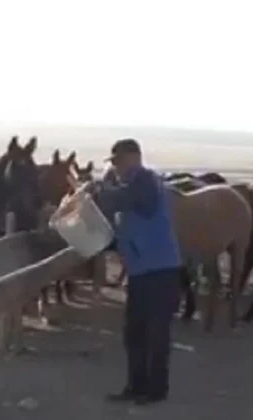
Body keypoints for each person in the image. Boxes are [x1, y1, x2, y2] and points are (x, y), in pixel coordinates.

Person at [90, 138, 183, 406]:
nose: (116, 168)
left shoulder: (145, 182)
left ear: (133, 157)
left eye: (118, 161)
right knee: (135, 334)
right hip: (142, 272)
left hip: (161, 271)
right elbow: (122, 233)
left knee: (156, 334)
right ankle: (136, 386)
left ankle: (155, 391)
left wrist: (97, 193)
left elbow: (127, 200)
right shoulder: (132, 188)